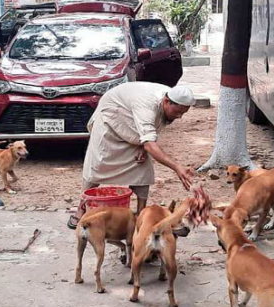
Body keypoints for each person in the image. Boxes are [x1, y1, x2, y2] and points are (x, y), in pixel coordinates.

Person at [67, 82, 197, 229]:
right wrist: (176, 167)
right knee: (97, 166)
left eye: (183, 113)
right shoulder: (147, 105)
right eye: (177, 112)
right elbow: (149, 139)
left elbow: (153, 130)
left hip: (134, 126)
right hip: (112, 120)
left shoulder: (170, 99)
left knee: (143, 168)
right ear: (166, 101)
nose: (179, 116)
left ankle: (140, 215)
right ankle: (81, 209)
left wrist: (144, 145)